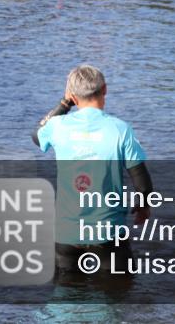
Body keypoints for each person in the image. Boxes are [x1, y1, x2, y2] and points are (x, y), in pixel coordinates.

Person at [32, 65, 153, 275]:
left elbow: (37, 135)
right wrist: (142, 208)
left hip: (66, 234)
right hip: (108, 233)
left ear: (73, 96)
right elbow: (142, 183)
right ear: (104, 89)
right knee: (115, 297)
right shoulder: (120, 129)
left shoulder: (57, 126)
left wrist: (64, 103)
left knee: (67, 299)